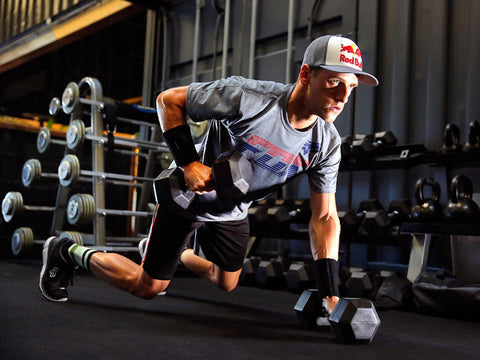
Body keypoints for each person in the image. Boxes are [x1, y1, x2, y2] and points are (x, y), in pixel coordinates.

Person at [39, 35, 378, 317]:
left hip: (233, 210)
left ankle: (176, 254)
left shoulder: (326, 143)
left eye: (350, 87)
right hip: (189, 198)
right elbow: (169, 101)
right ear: (306, 75)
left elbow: (325, 216)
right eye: (334, 82)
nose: (343, 97)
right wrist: (188, 164)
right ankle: (67, 251)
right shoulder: (249, 97)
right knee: (149, 287)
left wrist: (330, 294)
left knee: (226, 281)